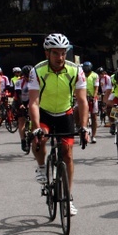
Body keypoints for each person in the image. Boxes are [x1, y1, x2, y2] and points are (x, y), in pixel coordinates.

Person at [28, 33, 89, 215]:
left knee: (68, 155)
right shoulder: (37, 71)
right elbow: (33, 102)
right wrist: (37, 126)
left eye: (63, 53)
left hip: (65, 114)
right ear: (47, 53)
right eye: (56, 53)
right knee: (39, 139)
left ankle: (68, 198)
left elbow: (83, 101)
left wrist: (84, 126)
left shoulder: (75, 70)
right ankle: (41, 167)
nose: (60, 57)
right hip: (44, 113)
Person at [14, 65, 33, 152]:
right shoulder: (19, 82)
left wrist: (30, 104)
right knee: (21, 120)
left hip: (31, 100)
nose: (28, 78)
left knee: (34, 119)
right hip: (20, 101)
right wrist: (21, 104)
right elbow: (18, 94)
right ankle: (23, 140)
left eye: (30, 76)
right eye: (26, 76)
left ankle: (32, 135)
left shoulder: (35, 81)